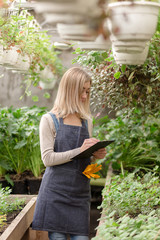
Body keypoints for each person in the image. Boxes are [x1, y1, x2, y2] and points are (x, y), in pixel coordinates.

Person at [32, 67, 106, 240]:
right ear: (69, 89)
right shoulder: (49, 120)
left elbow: (84, 157)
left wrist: (96, 154)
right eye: (81, 91)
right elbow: (48, 159)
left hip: (79, 193)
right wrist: (79, 150)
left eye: (87, 91)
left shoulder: (86, 120)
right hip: (55, 193)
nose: (85, 96)